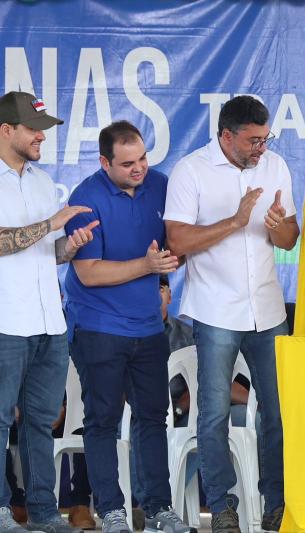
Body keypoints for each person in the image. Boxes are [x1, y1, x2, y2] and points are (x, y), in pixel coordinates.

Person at [164, 95, 299, 533]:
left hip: (268, 308)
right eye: (253, 141)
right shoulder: (191, 171)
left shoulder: (275, 166)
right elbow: (179, 241)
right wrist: (235, 221)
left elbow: (289, 240)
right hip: (216, 310)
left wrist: (281, 227)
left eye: (265, 138)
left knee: (278, 413)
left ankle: (276, 504)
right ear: (226, 135)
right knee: (214, 413)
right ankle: (221, 507)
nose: (261, 148)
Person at [64, 120, 193, 533]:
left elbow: (168, 247)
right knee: (102, 419)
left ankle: (157, 508)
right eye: (126, 164)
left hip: (148, 329)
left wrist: (162, 282)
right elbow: (88, 273)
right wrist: (148, 267)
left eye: (142, 159)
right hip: (99, 326)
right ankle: (112, 511)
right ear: (105, 162)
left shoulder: (161, 185)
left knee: (153, 417)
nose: (138, 169)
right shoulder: (86, 199)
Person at [0, 91, 98, 533]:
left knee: (40, 421)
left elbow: (42, 251)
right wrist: (52, 225)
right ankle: (2, 509)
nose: (43, 136)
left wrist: (68, 247)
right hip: (5, 321)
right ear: (7, 130)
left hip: (48, 322)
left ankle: (42, 510)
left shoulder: (41, 181)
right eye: (33, 129)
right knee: (1, 421)